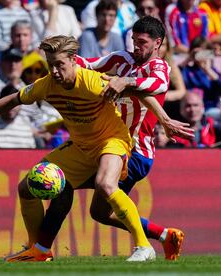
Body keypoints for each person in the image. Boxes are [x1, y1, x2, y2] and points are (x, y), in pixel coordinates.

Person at [0, 34, 176, 262]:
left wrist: (164, 120)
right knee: (26, 188)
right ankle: (37, 249)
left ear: (74, 61)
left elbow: (138, 92)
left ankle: (144, 247)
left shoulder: (91, 81)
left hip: (112, 140)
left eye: (60, 65)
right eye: (51, 65)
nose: (55, 71)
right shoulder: (47, 85)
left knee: (105, 184)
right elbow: (13, 100)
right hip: (81, 146)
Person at [37, 16, 193, 261]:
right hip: (108, 145)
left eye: (142, 42)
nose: (136, 46)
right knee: (99, 212)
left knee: (68, 184)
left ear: (157, 43)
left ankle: (143, 247)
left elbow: (157, 84)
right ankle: (164, 235)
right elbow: (88, 63)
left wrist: (126, 81)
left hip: (134, 152)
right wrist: (60, 56)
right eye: (133, 40)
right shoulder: (122, 59)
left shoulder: (159, 68)